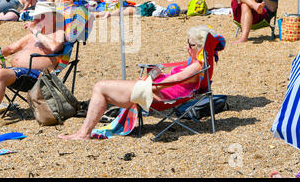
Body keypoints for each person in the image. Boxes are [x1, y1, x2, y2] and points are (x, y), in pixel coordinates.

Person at [59, 25, 215, 140]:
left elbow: (176, 79)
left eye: (191, 45)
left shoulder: (196, 66)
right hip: (158, 90)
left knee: (100, 87)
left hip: (158, 95)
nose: (187, 47)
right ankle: (85, 131)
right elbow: (177, 80)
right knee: (102, 88)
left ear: (200, 48)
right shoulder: (194, 63)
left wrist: (150, 83)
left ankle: (84, 133)